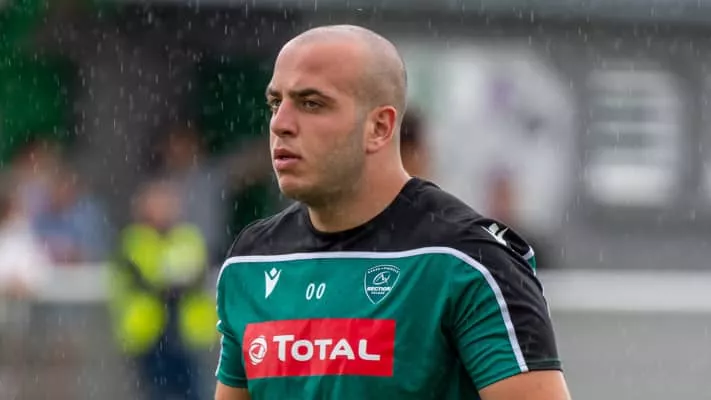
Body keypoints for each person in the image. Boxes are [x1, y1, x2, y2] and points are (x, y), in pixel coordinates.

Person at [214, 25, 571, 400]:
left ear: (379, 127)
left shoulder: (468, 263)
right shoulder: (250, 261)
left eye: (311, 103)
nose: (280, 124)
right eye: (275, 103)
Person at [108, 180, 218, 400]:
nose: (165, 209)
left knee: (194, 391)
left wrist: (168, 283)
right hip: (148, 334)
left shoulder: (188, 237)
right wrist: (172, 283)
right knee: (155, 392)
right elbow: (142, 280)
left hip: (187, 334)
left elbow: (197, 274)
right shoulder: (133, 241)